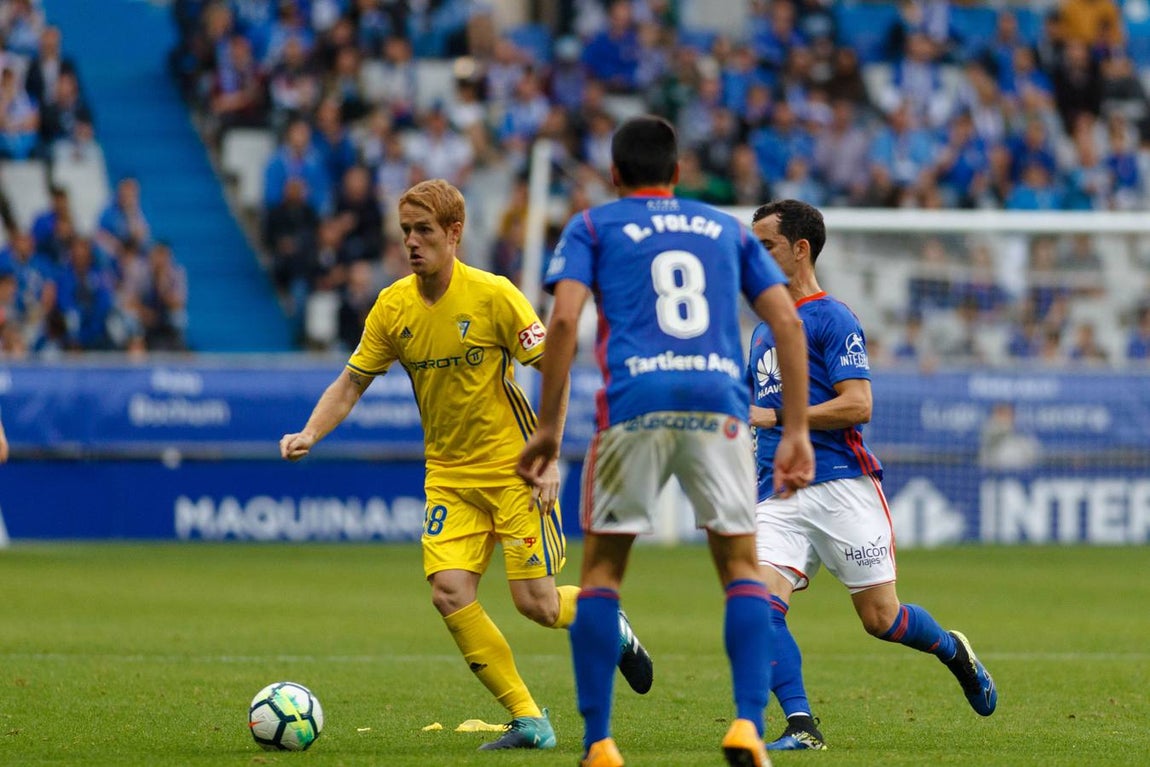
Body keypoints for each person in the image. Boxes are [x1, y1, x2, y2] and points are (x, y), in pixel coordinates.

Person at [280, 179, 653, 751]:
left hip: (514, 469)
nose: (411, 242)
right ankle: (532, 720)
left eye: (424, 230)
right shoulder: (392, 305)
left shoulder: (494, 295)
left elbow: (554, 365)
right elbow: (352, 381)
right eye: (405, 230)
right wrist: (310, 431)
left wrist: (549, 452)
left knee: (538, 605)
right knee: (449, 592)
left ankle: (608, 621)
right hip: (449, 476)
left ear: (454, 233)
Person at [517, 116, 815, 767]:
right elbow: (787, 322)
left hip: (635, 403)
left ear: (615, 175)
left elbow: (564, 318)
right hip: (721, 405)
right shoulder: (725, 228)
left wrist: (546, 427)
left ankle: (599, 742)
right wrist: (794, 429)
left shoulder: (593, 226)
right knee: (740, 570)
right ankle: (745, 725)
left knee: (601, 575)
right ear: (677, 175)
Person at [744, 199, 997, 752]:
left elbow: (858, 405)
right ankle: (801, 726)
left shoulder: (832, 317)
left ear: (799, 249)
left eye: (765, 246)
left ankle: (952, 650)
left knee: (881, 618)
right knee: (755, 606)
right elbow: (756, 418)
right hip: (779, 493)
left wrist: (780, 416)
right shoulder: (764, 332)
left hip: (840, 485)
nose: (753, 256)